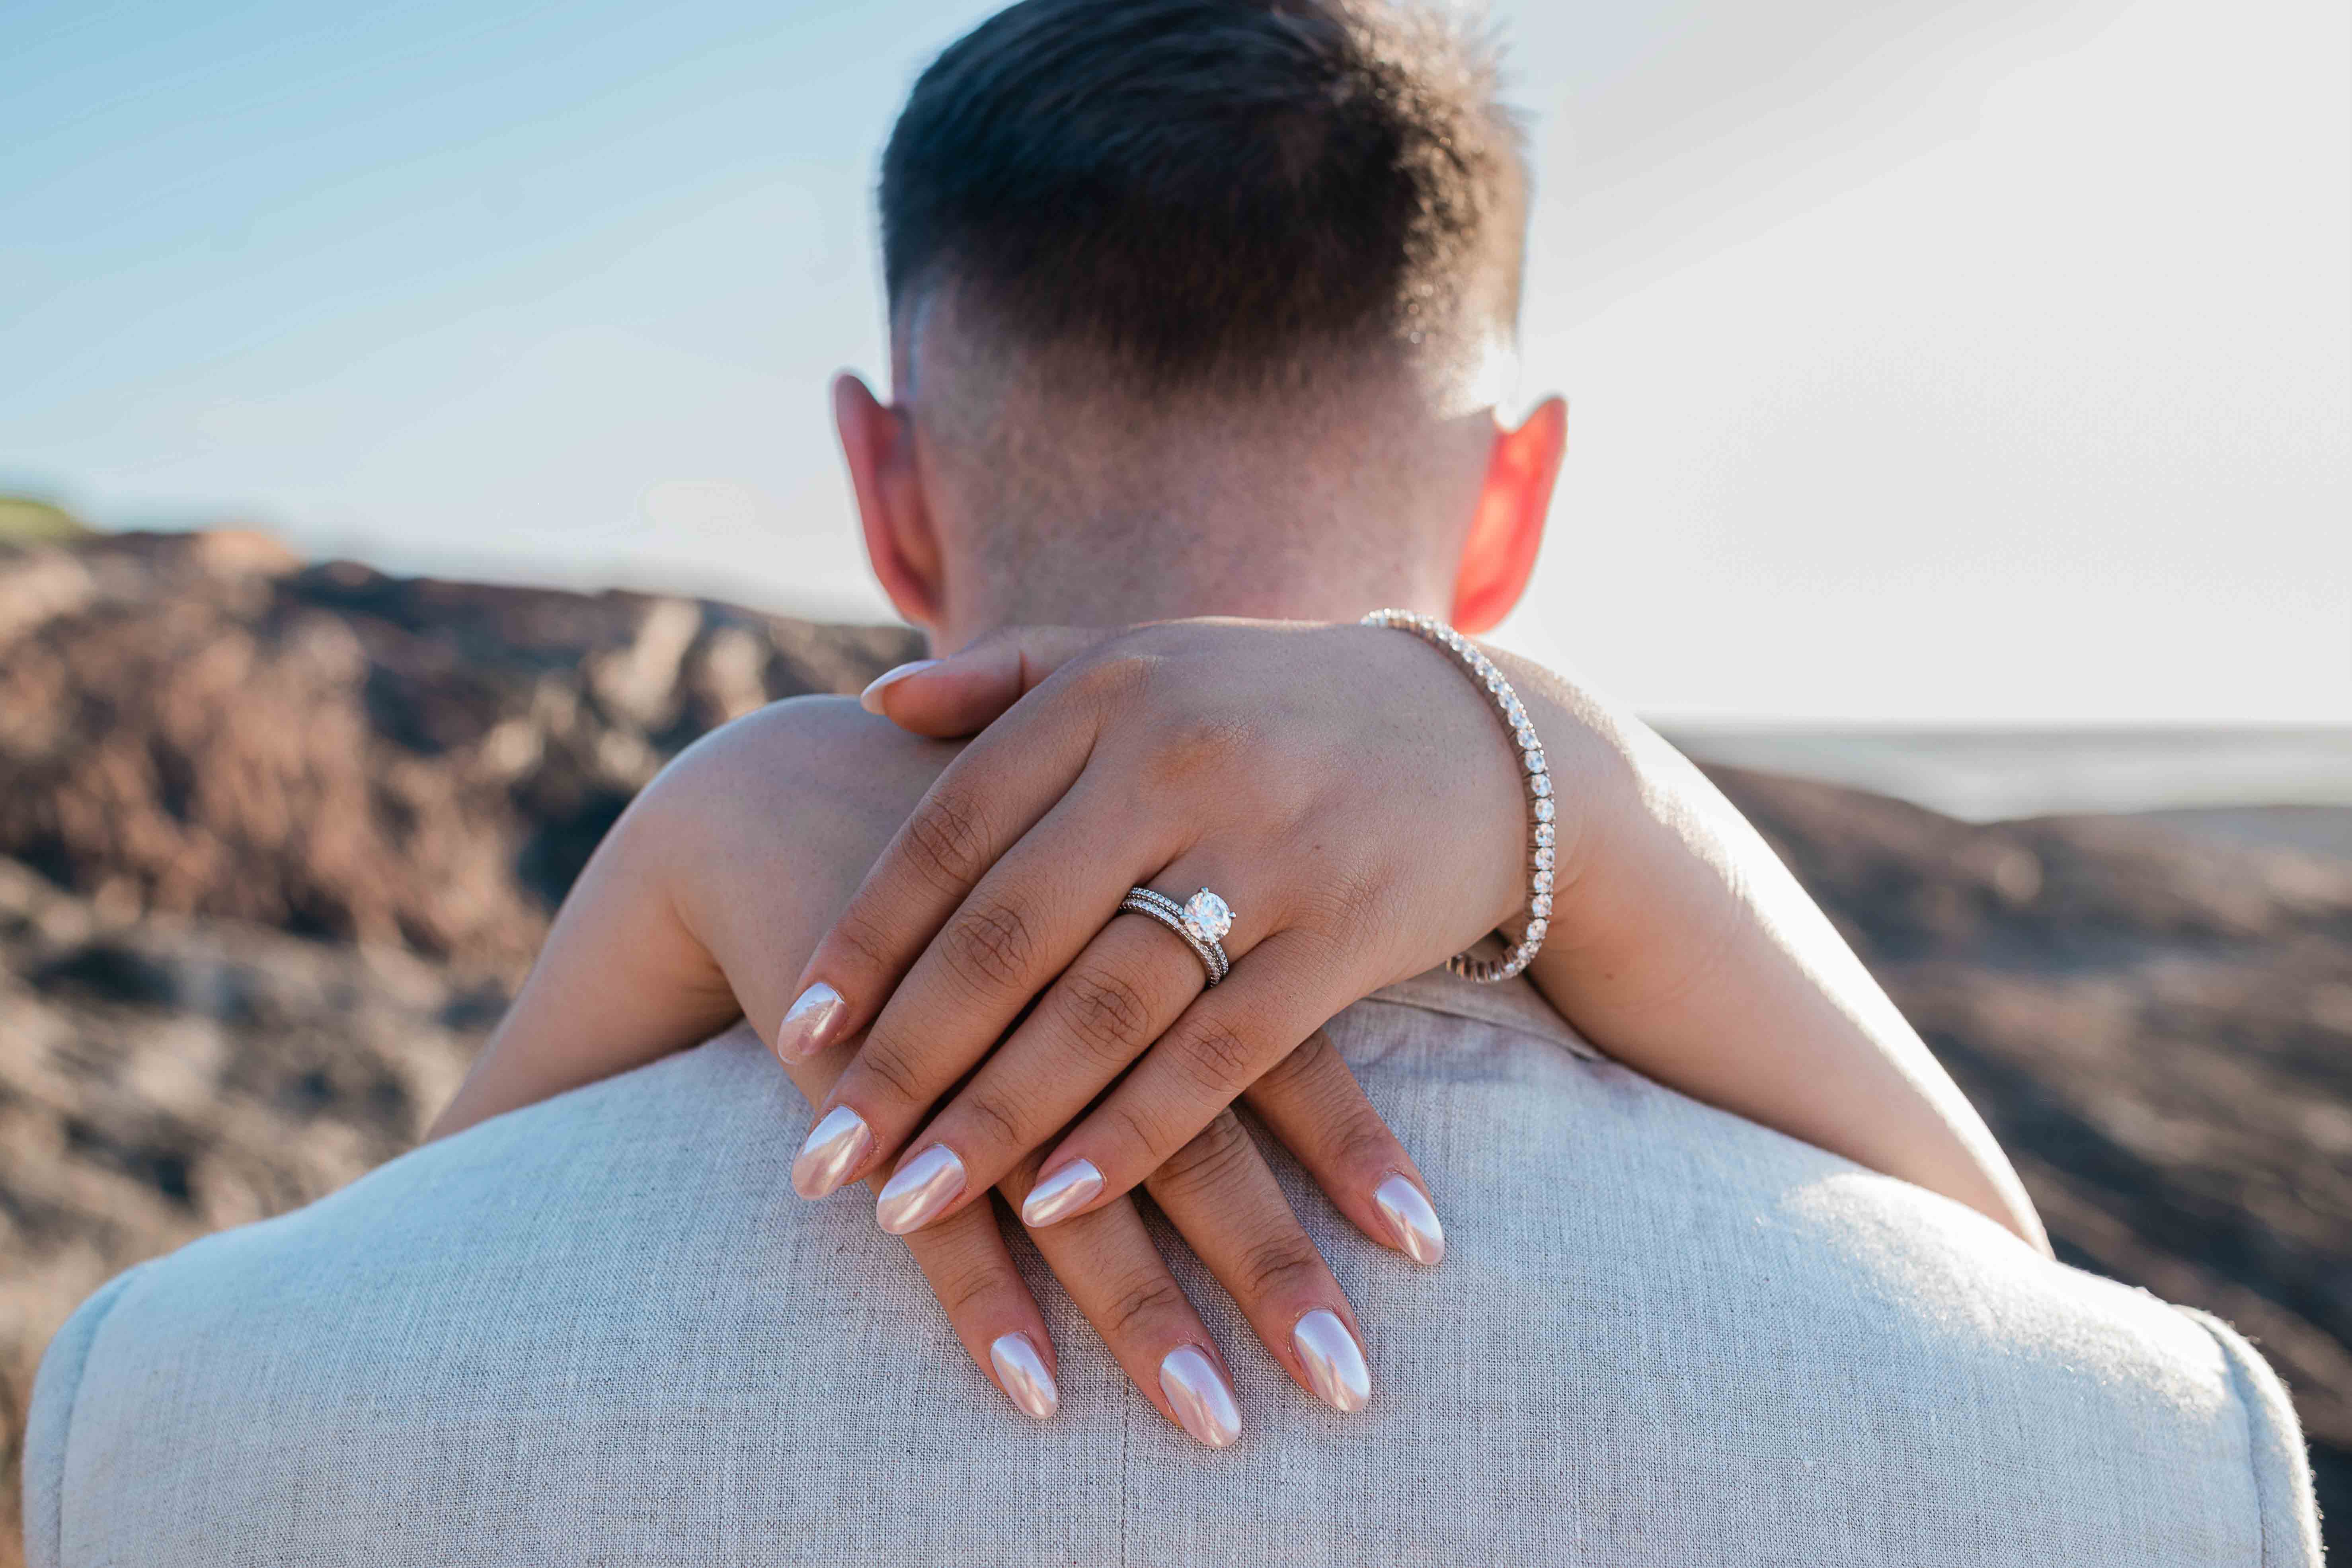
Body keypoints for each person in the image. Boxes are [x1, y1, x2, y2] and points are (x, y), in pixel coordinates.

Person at [27, 1, 2318, 1562]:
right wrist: (1582, 805)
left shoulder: (163, 1403)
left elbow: (371, 1335)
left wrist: (683, 842)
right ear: (1508, 507)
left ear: (885, 491)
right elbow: (2009, 1309)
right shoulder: (2132, 1450)